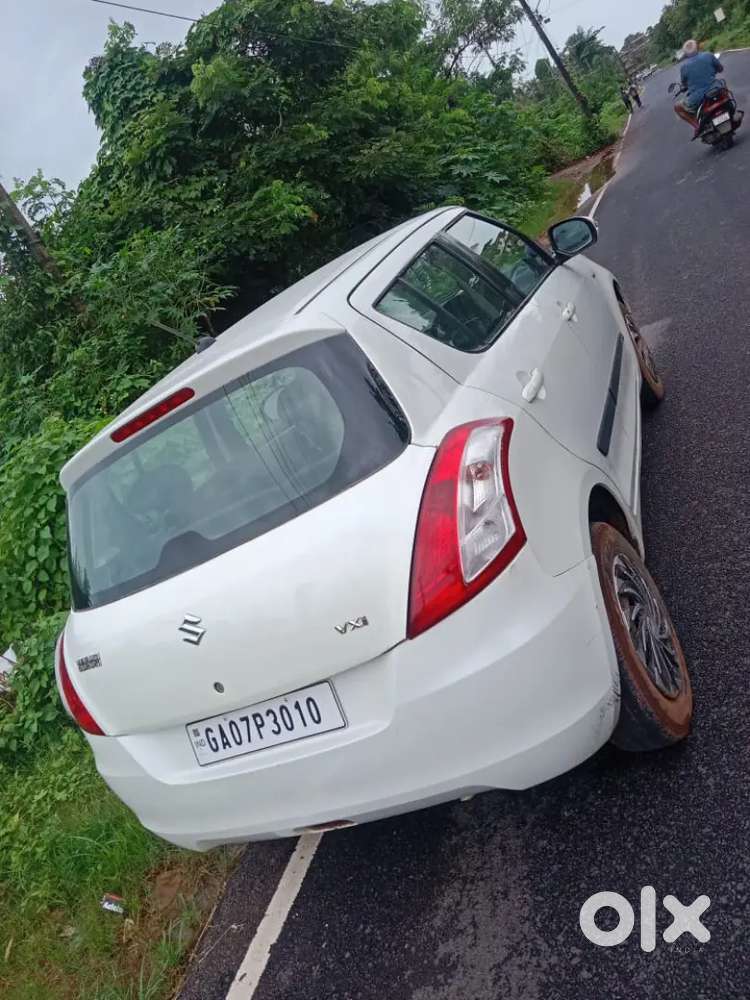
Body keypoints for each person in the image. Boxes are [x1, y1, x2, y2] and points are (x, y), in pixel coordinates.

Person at [674, 39, 723, 128]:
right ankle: (732, 111)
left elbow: (684, 83)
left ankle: (697, 126)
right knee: (724, 87)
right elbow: (720, 68)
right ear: (698, 47)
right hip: (716, 88)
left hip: (697, 98)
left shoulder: (684, 67)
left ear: (685, 54)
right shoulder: (708, 55)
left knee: (677, 107)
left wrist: (685, 86)